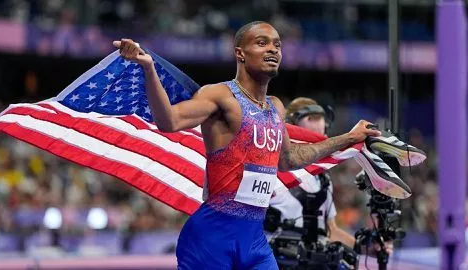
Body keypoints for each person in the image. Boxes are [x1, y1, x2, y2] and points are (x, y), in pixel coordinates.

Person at [113, 21, 381, 269]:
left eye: (277, 44)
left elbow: (289, 159)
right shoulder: (220, 95)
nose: (273, 49)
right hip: (212, 239)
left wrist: (348, 138)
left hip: (254, 241)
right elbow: (169, 121)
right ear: (240, 53)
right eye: (262, 43)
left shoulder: (275, 107)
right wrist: (148, 68)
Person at [267, 97, 393, 257]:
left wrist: (367, 249)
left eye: (320, 138)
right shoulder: (272, 169)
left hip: (313, 261)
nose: (319, 124)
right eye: (311, 119)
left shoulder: (322, 178)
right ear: (291, 130)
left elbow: (331, 232)